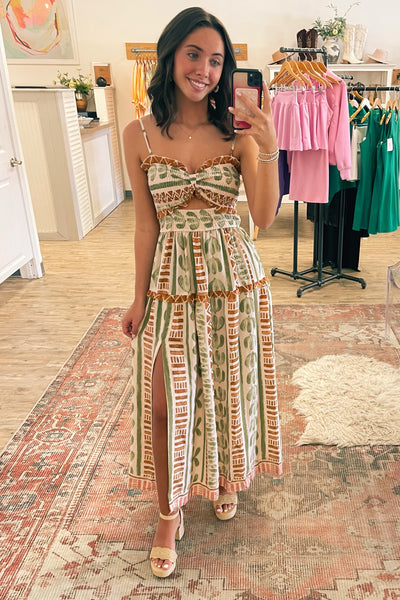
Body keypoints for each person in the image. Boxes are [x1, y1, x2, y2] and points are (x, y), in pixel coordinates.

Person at [121, 6, 282, 579]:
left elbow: (262, 216)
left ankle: (224, 477)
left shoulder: (237, 132)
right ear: (170, 56)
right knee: (164, 401)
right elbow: (145, 224)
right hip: (169, 282)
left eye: (216, 60)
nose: (205, 70)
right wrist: (138, 296)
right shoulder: (137, 134)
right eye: (194, 54)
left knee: (224, 389)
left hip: (232, 280)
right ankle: (169, 513)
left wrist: (269, 145)